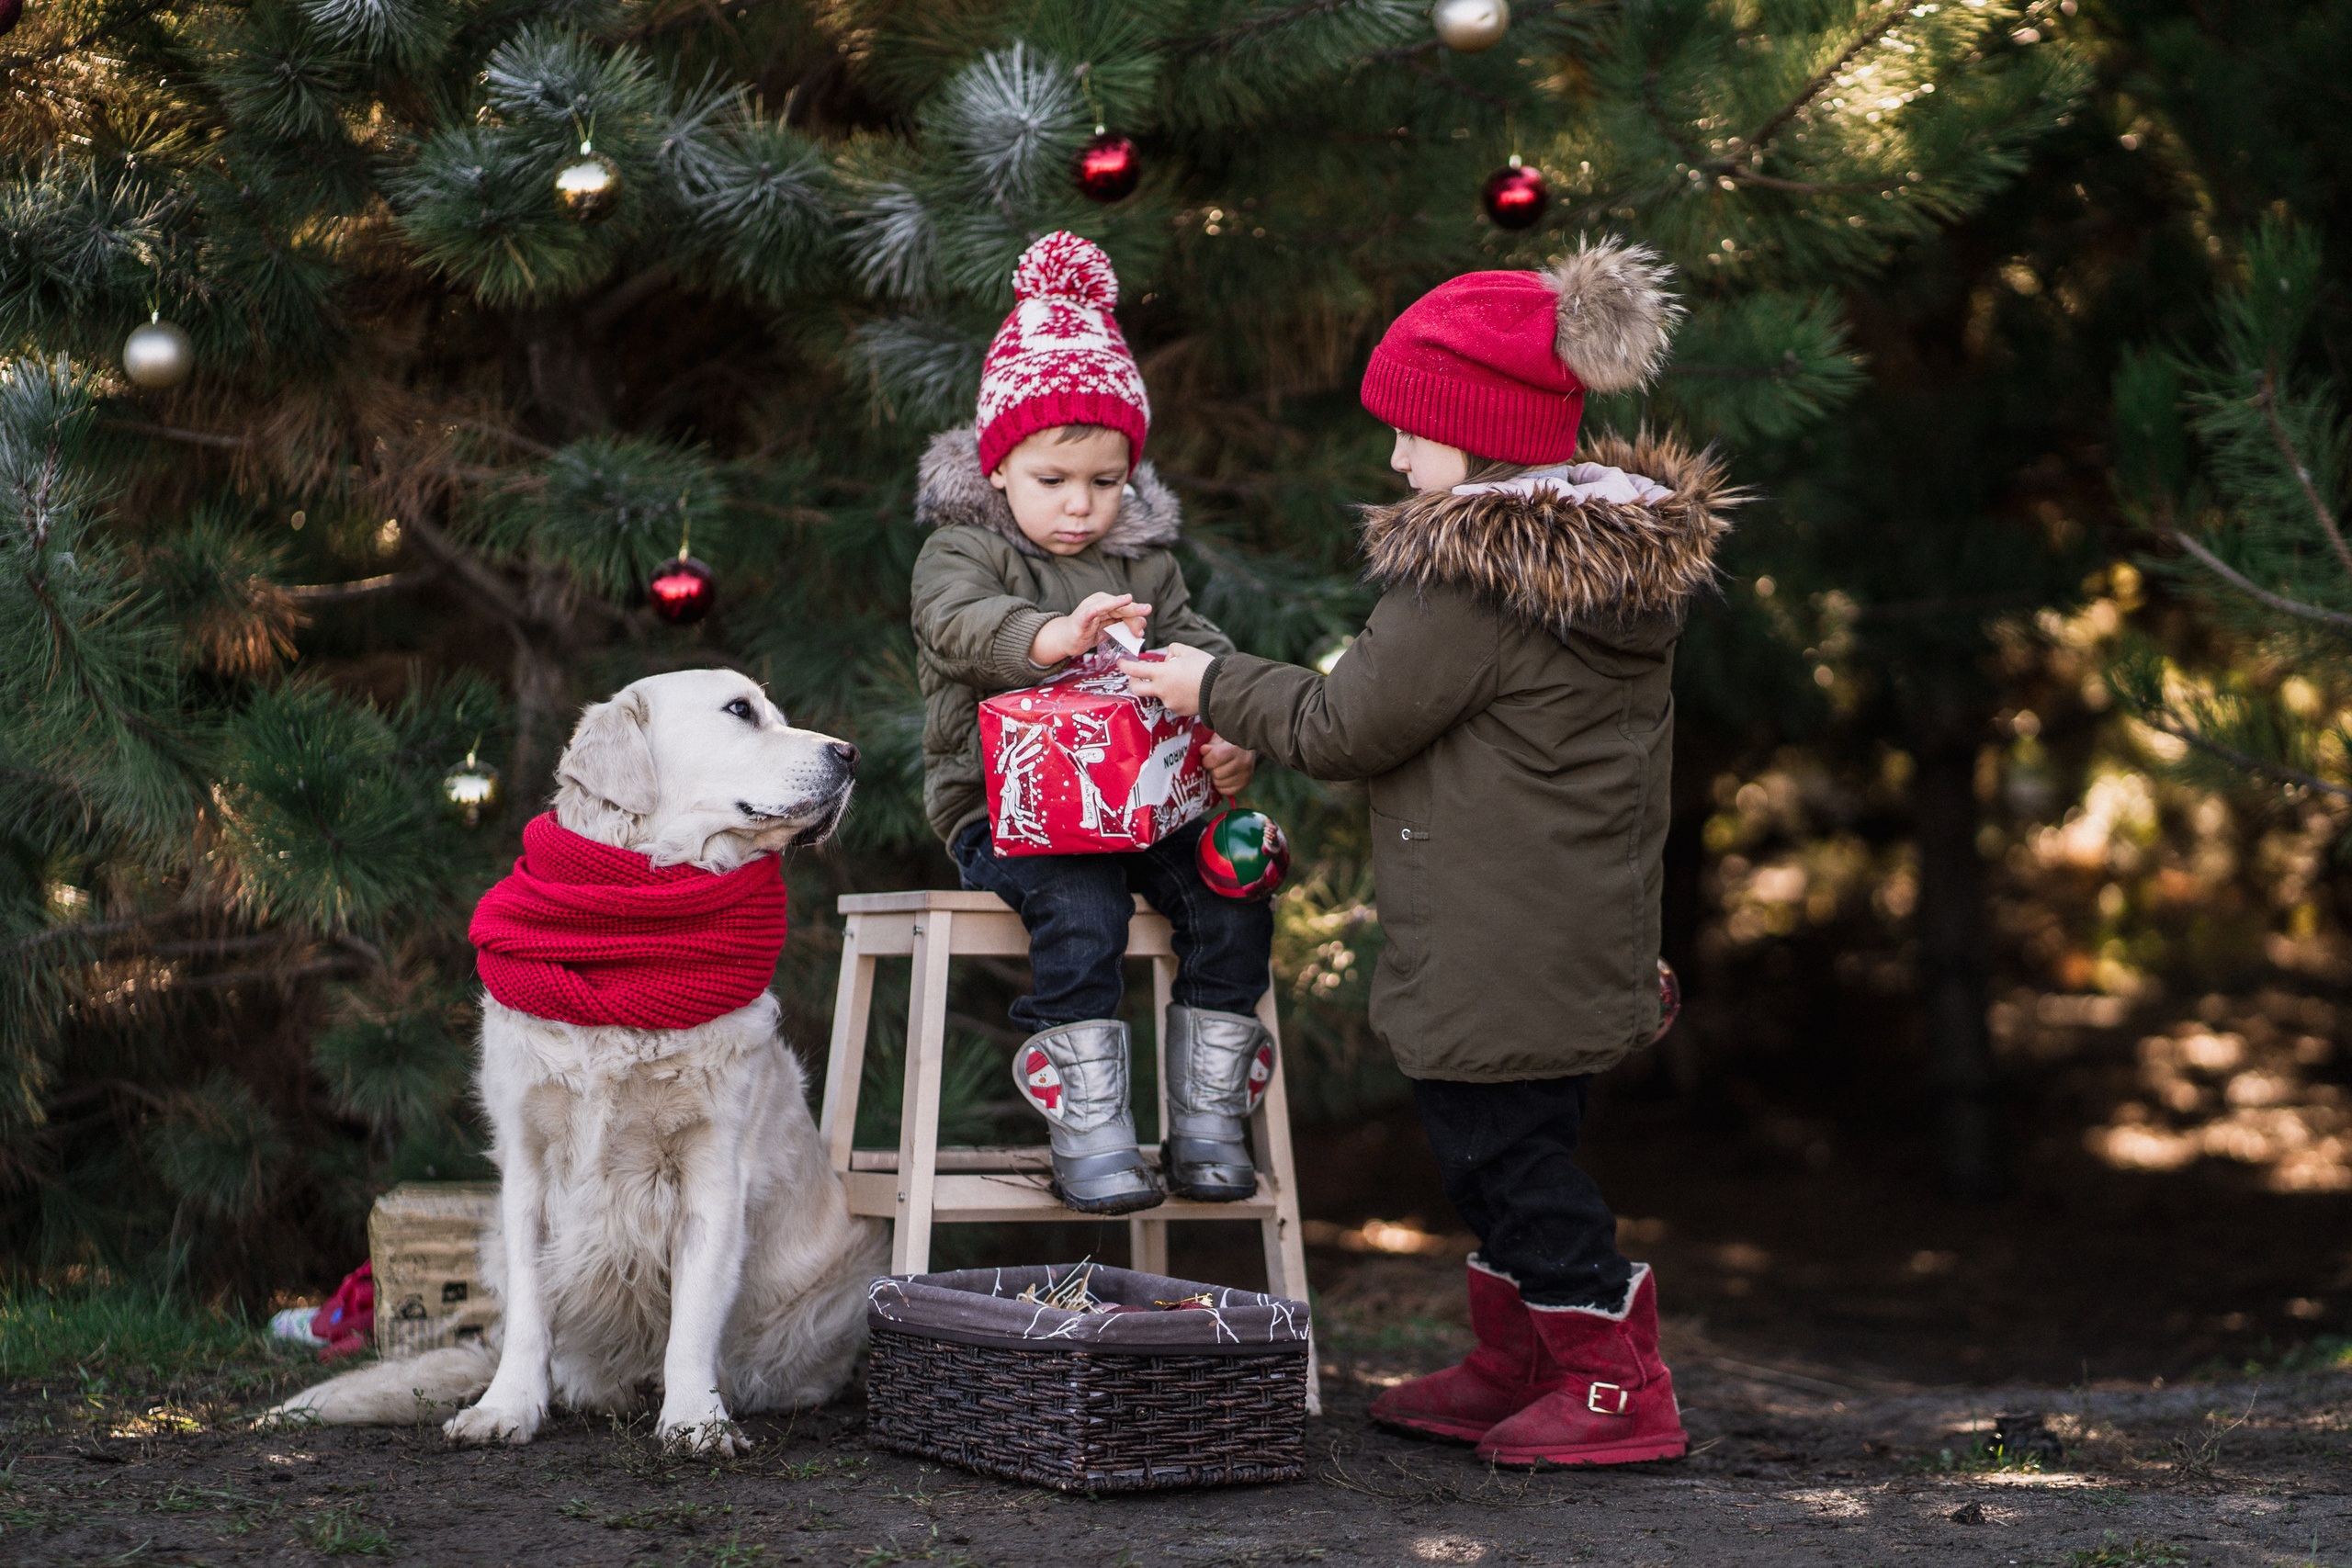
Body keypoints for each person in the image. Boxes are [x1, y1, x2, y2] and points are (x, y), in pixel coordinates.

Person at [1122, 239, 1735, 1468]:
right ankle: (1522, 1359)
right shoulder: (1596, 572)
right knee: (1511, 1147)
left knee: (1505, 1159)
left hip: (1500, 939)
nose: (1396, 459)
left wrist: (1207, 681)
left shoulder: (1468, 579)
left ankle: (1618, 1382)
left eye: (1412, 432)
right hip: (1569, 925)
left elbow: (1347, 726)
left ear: (1481, 430)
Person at [909, 231, 1272, 1218]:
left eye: (1104, 483)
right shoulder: (962, 552)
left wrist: (1229, 720)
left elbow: (1202, 649)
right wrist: (1052, 636)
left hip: (1142, 810)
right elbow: (956, 627)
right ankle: (1090, 1125)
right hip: (1009, 813)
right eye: (1052, 481)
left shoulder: (1145, 564)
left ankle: (1205, 1120)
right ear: (997, 470)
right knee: (1081, 909)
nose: (1079, 508)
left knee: (1228, 892)